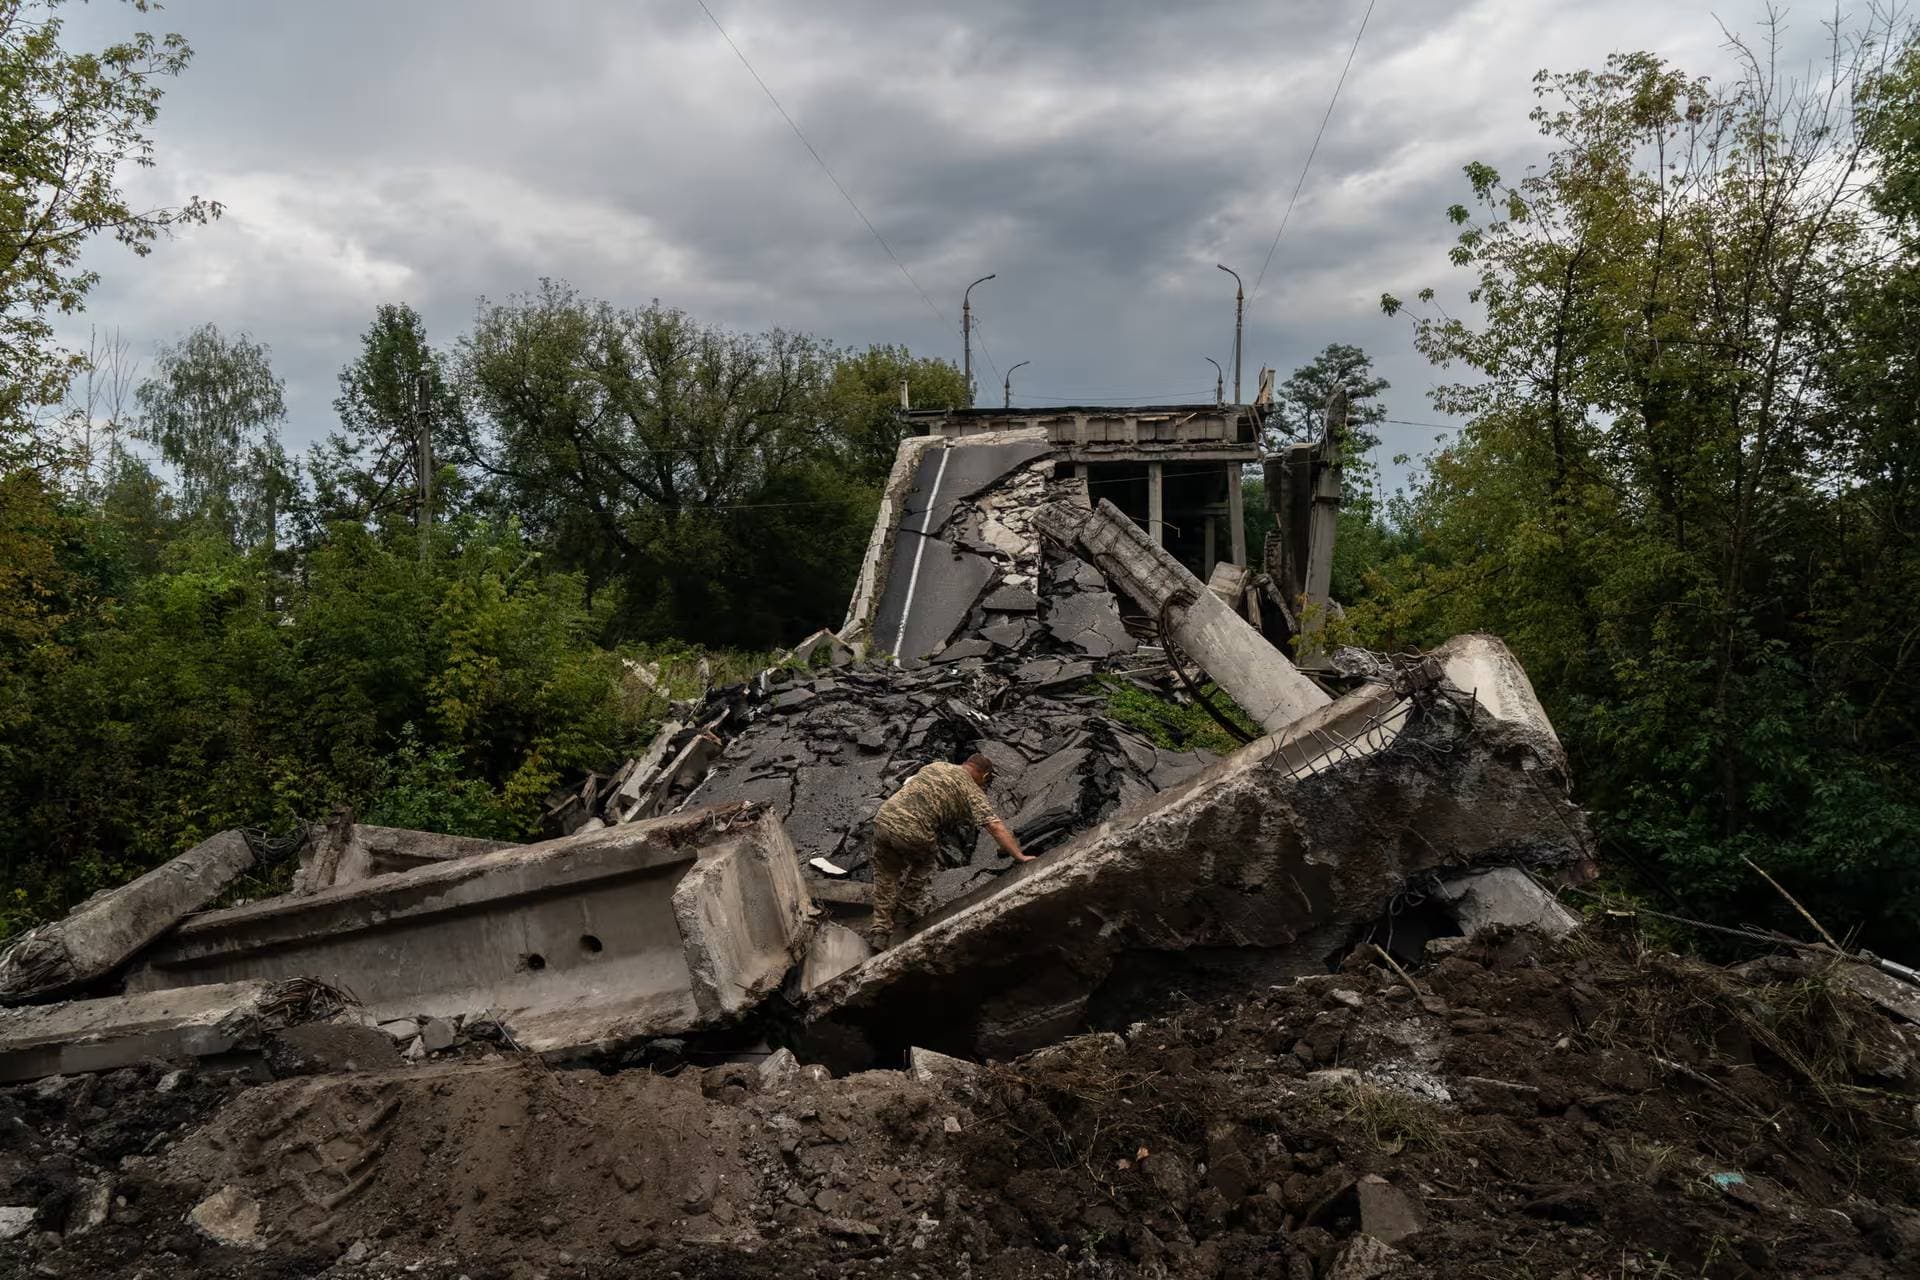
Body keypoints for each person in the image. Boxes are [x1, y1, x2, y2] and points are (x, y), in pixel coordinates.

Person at [868, 752, 1030, 949]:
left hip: (883, 820)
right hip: (913, 831)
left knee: (885, 875)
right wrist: (1018, 855)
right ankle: (906, 909)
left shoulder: (936, 766)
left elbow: (911, 784)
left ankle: (880, 931)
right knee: (925, 863)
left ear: (966, 763)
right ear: (985, 775)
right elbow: (995, 826)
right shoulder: (972, 790)